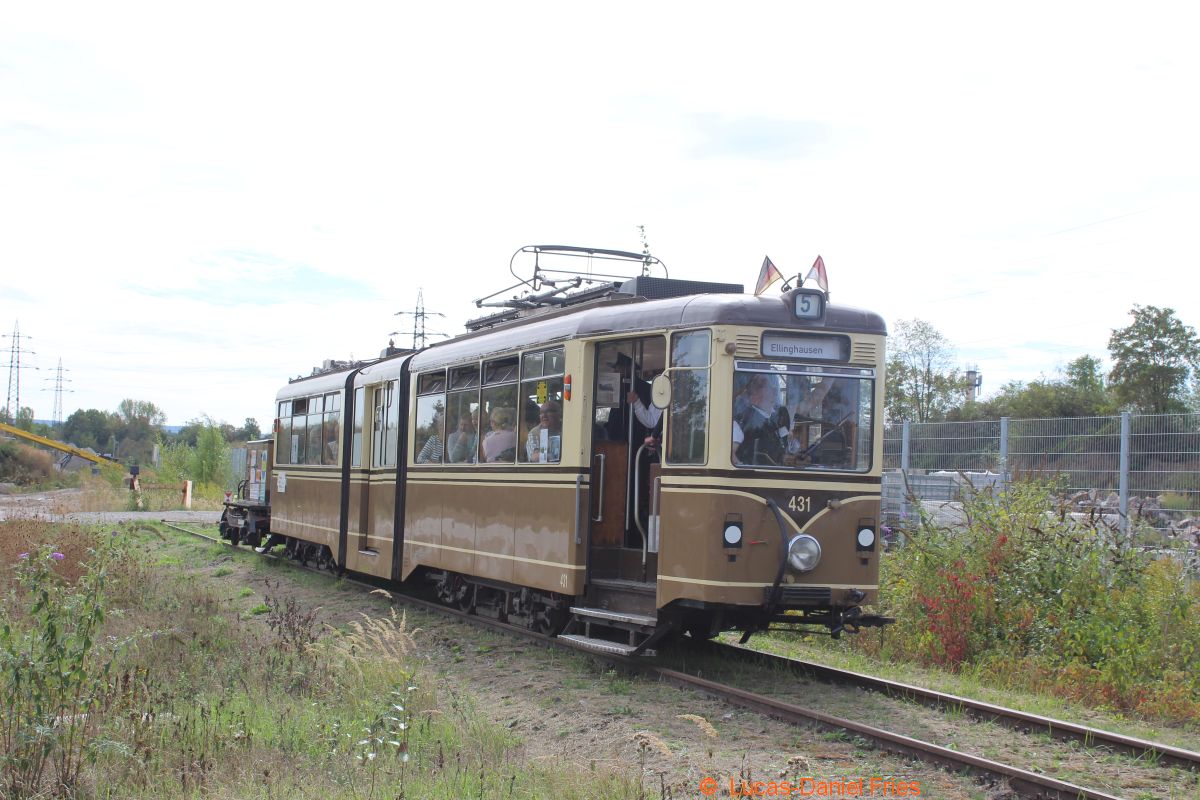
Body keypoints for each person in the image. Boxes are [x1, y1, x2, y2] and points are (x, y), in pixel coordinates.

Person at [734, 373, 789, 465]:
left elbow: (783, 446)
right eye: (769, 387)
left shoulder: (778, 416)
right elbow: (730, 455)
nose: (775, 390)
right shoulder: (742, 422)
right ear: (755, 396)